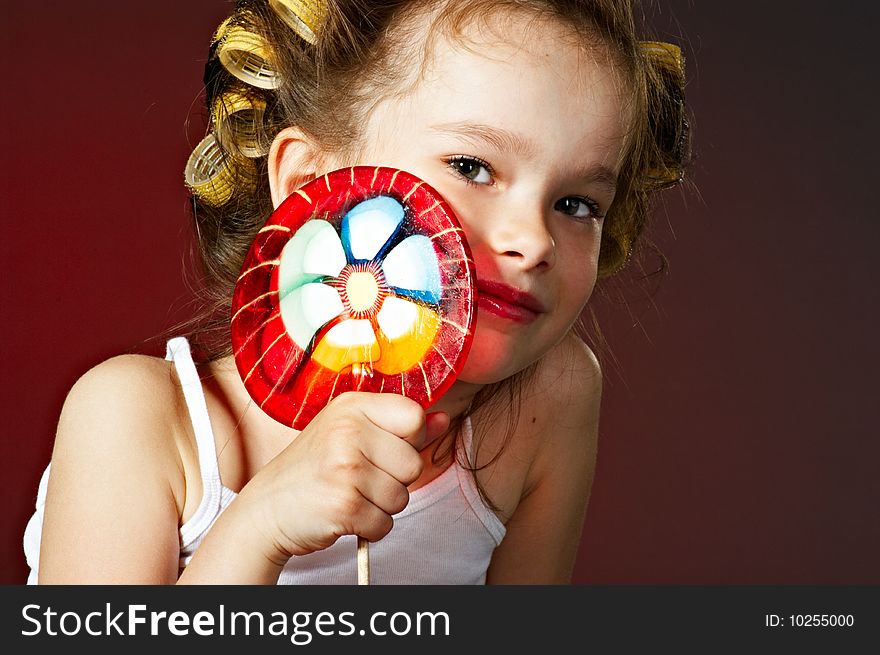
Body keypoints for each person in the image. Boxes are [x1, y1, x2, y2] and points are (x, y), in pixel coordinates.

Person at [24, 0, 687, 584]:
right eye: (471, 166)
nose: (534, 239)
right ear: (312, 177)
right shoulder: (136, 420)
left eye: (576, 203)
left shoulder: (550, 403)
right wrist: (259, 527)